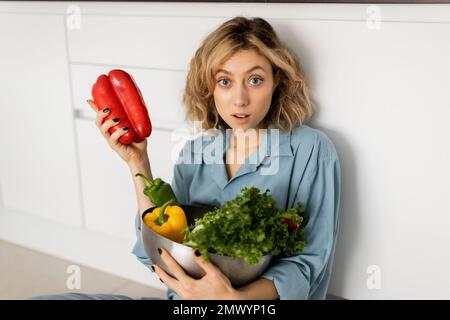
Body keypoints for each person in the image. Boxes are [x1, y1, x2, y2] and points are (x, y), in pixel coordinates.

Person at [30, 16, 341, 300]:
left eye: (255, 79)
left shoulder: (310, 149)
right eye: (225, 81)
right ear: (210, 88)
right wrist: (137, 162)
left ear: (278, 82)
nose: (240, 98)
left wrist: (232, 301)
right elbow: (159, 249)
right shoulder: (196, 151)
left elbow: (307, 264)